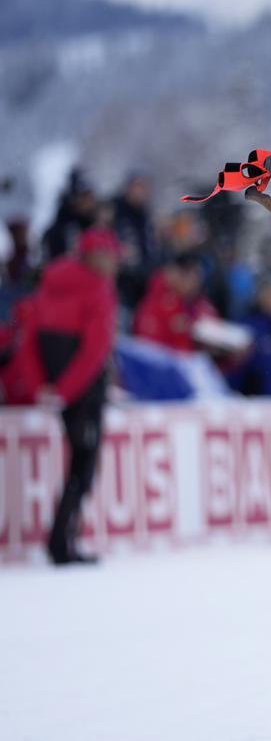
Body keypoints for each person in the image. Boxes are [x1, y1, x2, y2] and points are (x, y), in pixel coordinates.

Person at [24, 228, 119, 565]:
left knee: (76, 463)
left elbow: (29, 338)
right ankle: (62, 542)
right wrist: (64, 392)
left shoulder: (49, 284)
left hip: (56, 386)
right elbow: (95, 351)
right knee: (83, 466)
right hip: (84, 393)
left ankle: (60, 540)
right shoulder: (98, 290)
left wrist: (43, 387)